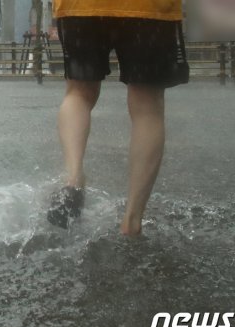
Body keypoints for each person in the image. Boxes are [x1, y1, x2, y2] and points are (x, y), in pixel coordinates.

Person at [46, 0, 189, 236]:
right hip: (148, 9)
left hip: (81, 7)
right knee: (147, 106)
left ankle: (73, 178)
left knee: (78, 92)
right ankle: (131, 221)